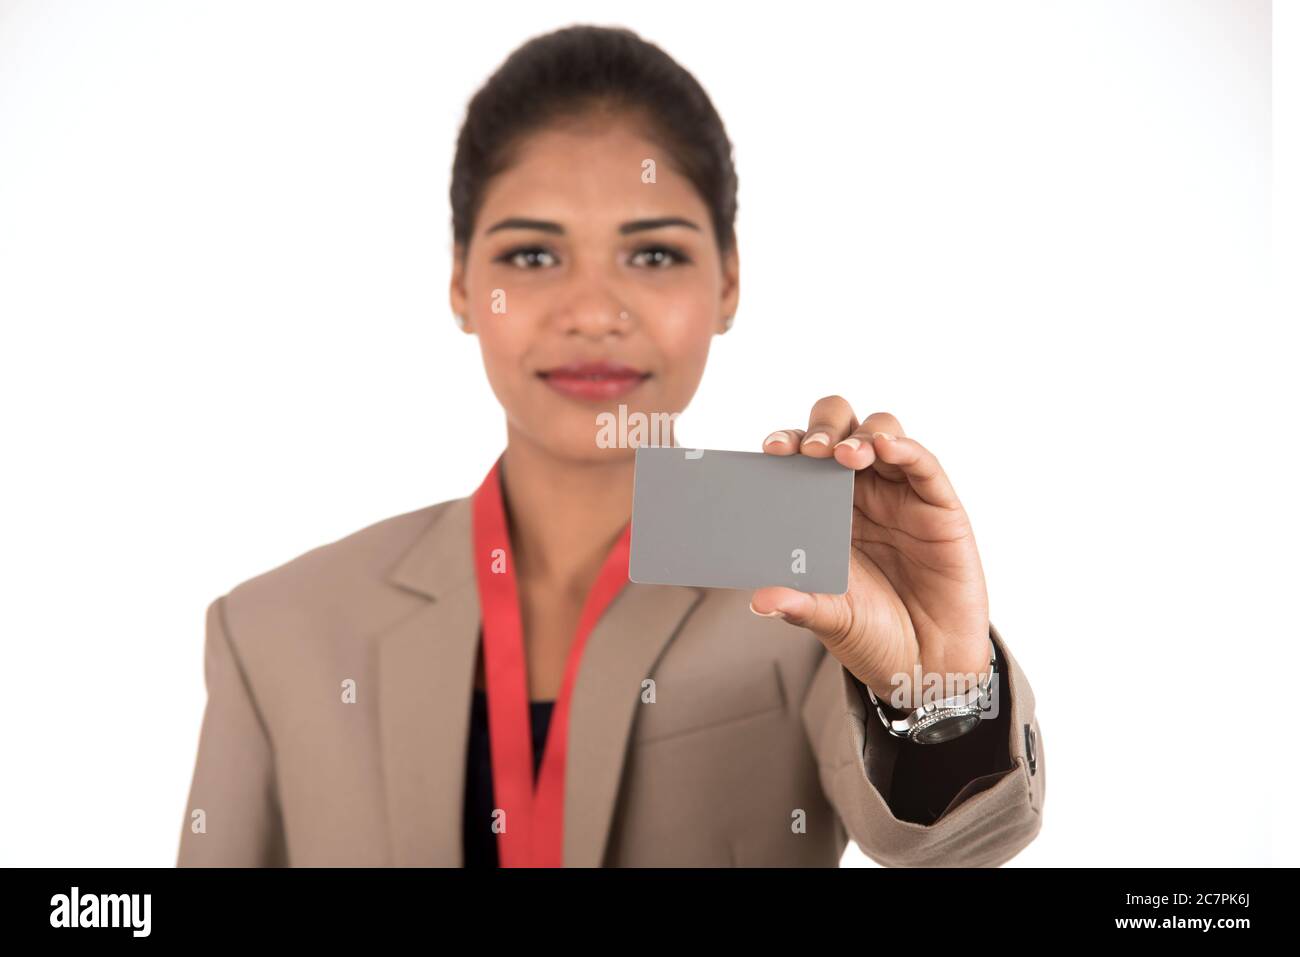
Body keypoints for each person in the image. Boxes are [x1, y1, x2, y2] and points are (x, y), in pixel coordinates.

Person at [177, 24, 1045, 868]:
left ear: (729, 281)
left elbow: (954, 845)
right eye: (532, 254)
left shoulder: (813, 597)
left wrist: (942, 693)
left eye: (655, 254)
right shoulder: (274, 633)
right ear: (460, 282)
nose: (593, 311)